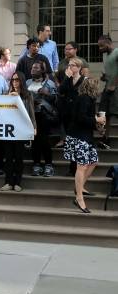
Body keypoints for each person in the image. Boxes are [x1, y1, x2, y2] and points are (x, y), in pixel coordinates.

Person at [64, 78, 105, 213]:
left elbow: (86, 120)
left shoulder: (88, 100)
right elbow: (80, 118)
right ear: (92, 88)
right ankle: (79, 198)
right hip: (78, 137)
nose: (98, 91)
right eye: (97, 87)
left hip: (86, 137)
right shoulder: (84, 99)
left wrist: (98, 126)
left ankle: (80, 187)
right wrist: (96, 119)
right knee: (81, 166)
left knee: (93, 161)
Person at [1, 71, 36, 192]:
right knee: (9, 157)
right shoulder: (7, 94)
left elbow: (31, 113)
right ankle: (8, 181)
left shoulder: (27, 95)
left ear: (21, 81)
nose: (15, 82)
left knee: (19, 157)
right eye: (13, 80)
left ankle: (18, 182)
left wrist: (34, 127)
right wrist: (8, 98)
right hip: (9, 130)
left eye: (17, 80)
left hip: (21, 129)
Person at [27, 61, 57, 177]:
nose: (32, 70)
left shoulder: (49, 83)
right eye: (32, 67)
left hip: (44, 114)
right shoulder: (28, 82)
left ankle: (48, 165)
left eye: (36, 68)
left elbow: (56, 100)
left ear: (42, 70)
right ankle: (36, 164)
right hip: (32, 115)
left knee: (44, 140)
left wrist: (47, 94)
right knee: (34, 141)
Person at [57, 58, 86, 174]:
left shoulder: (84, 80)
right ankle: (72, 168)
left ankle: (79, 168)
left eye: (72, 65)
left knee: (79, 142)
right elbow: (61, 90)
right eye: (69, 65)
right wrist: (67, 77)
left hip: (79, 115)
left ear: (79, 67)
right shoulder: (67, 79)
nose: (69, 68)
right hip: (68, 114)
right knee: (71, 142)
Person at [98, 35, 118, 149]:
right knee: (103, 114)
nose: (100, 48)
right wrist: (105, 77)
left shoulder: (116, 52)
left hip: (115, 88)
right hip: (107, 88)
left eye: (101, 45)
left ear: (108, 43)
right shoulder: (106, 56)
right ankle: (105, 139)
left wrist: (114, 84)